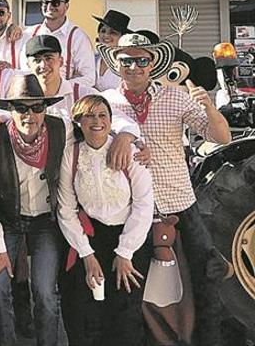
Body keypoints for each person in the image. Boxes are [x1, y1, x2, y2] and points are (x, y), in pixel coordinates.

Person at [98, 32, 232, 344]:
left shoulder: (176, 97)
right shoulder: (106, 103)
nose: (134, 66)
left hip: (180, 203)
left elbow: (221, 137)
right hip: (130, 211)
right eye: (126, 60)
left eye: (141, 60)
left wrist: (210, 107)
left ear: (152, 63)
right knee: (130, 291)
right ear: (116, 64)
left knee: (206, 280)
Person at [0, 73, 74, 346]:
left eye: (37, 107)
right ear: (9, 111)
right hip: (7, 221)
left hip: (46, 221)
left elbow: (100, 124)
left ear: (45, 108)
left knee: (45, 292)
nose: (30, 115)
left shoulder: (61, 128)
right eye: (20, 107)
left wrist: (131, 138)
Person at [56, 95, 153, 346]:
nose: (97, 121)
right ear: (78, 122)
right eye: (89, 116)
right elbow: (66, 208)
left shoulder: (130, 151)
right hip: (91, 235)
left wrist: (125, 252)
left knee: (125, 308)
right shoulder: (72, 155)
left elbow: (143, 205)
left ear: (111, 120)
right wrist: (87, 255)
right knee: (87, 307)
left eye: (102, 115)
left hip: (131, 234)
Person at [19, 0, 96, 87]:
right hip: (35, 96)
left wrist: (59, 86)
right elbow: (24, 70)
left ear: (66, 6)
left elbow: (89, 78)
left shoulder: (78, 36)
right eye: (45, 3)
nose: (50, 7)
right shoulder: (29, 34)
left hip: (65, 97)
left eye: (55, 3)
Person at [92, 10, 132, 91]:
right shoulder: (91, 59)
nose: (106, 35)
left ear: (122, 37)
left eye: (113, 33)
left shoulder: (127, 63)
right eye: (103, 31)